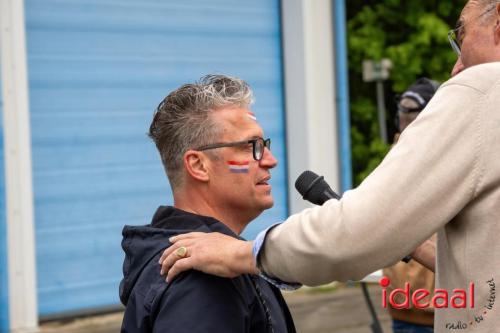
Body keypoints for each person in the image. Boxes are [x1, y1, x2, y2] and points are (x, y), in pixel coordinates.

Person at [159, 1, 500, 332]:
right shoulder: (193, 286)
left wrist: (244, 253)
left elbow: (360, 232)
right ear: (198, 165)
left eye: (461, 36)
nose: (456, 68)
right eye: (252, 146)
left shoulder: (486, 91)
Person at [119, 75, 296, 332]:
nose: (270, 160)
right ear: (199, 165)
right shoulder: (204, 278)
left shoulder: (221, 259)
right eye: (251, 146)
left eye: (264, 145)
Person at [384, 78, 440, 333]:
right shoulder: (393, 158)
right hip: (403, 306)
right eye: (402, 111)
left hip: (441, 306)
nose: (405, 118)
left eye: (413, 111)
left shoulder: (445, 157)